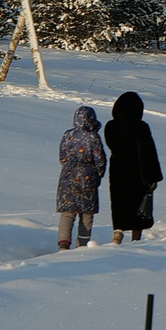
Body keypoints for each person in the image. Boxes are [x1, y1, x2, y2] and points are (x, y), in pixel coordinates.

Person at [105, 91, 164, 244]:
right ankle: (135, 239)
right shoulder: (140, 127)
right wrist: (152, 177)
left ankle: (118, 232)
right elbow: (147, 152)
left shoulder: (110, 126)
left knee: (119, 203)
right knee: (138, 207)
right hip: (136, 171)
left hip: (117, 168)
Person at [56, 106, 106, 250]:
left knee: (67, 212)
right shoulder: (93, 137)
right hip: (88, 177)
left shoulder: (67, 134)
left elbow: (62, 156)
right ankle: (82, 244)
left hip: (67, 177)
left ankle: (63, 242)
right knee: (87, 213)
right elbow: (100, 159)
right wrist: (99, 174)